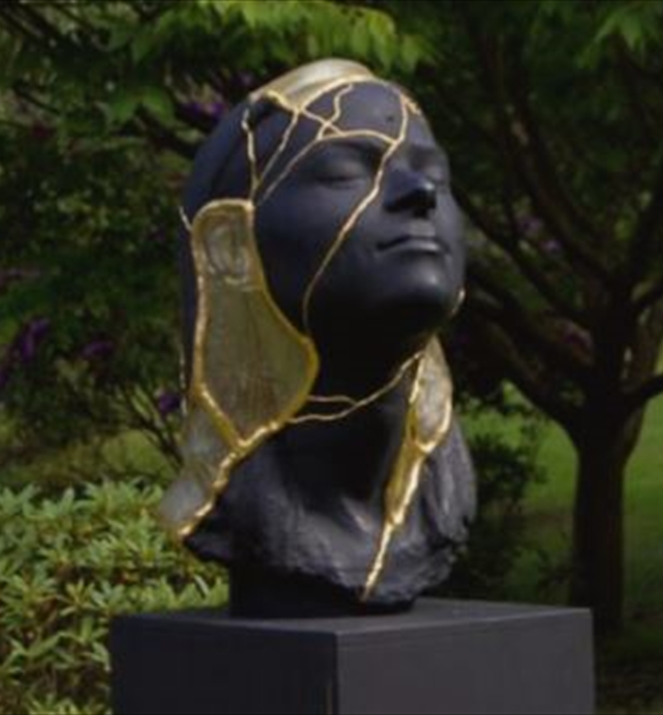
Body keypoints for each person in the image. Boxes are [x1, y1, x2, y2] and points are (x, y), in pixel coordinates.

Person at [157, 59, 475, 616]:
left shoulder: (439, 510)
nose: (420, 191)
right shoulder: (243, 522)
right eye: (345, 173)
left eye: (437, 175)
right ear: (231, 246)